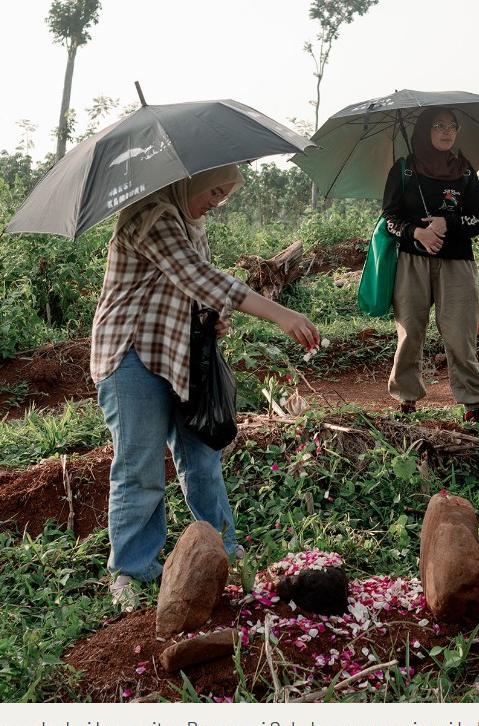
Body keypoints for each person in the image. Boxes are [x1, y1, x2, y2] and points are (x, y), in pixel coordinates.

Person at [91, 164, 320, 610]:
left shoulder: (190, 223)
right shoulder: (152, 214)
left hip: (180, 356)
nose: (216, 202)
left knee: (201, 457)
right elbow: (200, 277)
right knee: (139, 464)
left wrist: (213, 319)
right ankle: (131, 571)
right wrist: (281, 313)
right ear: (188, 179)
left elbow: (199, 292)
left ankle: (225, 555)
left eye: (224, 196)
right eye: (213, 190)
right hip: (133, 353)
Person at [381, 107, 479, 424]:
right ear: (424, 131)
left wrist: (447, 222)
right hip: (412, 263)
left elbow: (478, 220)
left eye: (452, 126)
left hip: (457, 264)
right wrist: (417, 233)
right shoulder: (404, 170)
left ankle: (472, 405)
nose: (446, 132)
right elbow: (390, 219)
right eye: (439, 126)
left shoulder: (465, 171)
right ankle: (406, 399)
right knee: (410, 332)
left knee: (460, 334)